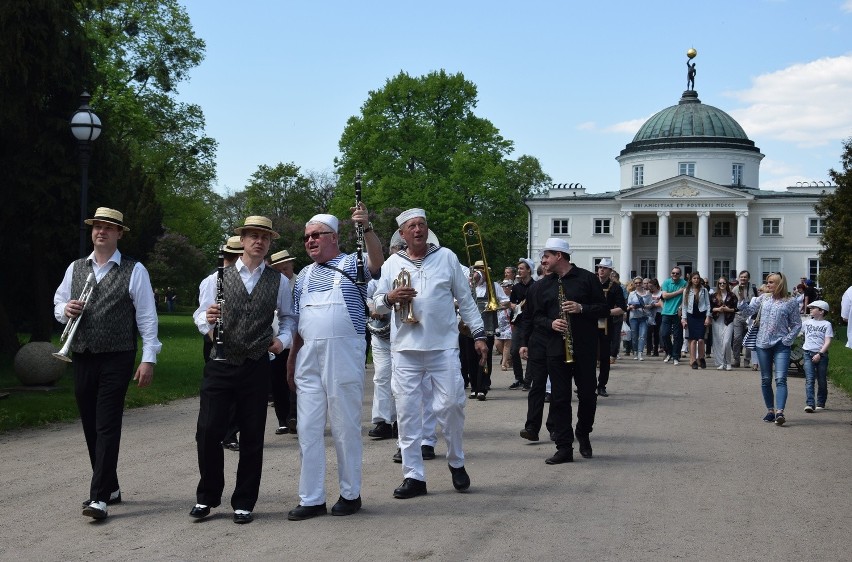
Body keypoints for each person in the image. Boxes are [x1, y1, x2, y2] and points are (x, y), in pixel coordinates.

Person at [53, 207, 161, 521]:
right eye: (97, 227)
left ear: (119, 234)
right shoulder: (75, 268)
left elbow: (147, 318)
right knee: (89, 423)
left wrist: (148, 358)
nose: (101, 232)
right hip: (83, 354)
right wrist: (66, 310)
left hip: (118, 355)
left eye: (108, 228)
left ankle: (98, 497)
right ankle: (111, 487)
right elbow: (58, 302)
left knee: (107, 423)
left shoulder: (134, 269)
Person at [373, 208, 487, 499]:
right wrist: (389, 298)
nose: (417, 230)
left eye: (421, 225)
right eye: (411, 226)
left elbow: (466, 298)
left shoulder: (446, 257)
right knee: (408, 414)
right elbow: (377, 303)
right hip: (405, 350)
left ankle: (456, 461)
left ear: (427, 229)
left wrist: (478, 334)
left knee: (452, 405)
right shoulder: (391, 263)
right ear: (402, 234)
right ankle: (414, 477)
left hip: (443, 347)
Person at [190, 216, 296, 525]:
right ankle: (207, 496)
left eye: (264, 237)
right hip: (221, 363)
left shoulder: (279, 281)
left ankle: (244, 501)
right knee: (208, 431)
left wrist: (282, 341)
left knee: (252, 435)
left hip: (256, 363)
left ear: (269, 243)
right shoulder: (216, 279)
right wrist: (207, 321)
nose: (259, 241)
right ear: (243, 240)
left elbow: (289, 318)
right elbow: (200, 315)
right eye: (253, 236)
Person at [285, 205, 384, 520]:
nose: (311, 241)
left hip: (343, 354)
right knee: (308, 428)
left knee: (344, 425)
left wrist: (366, 228)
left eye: (317, 235)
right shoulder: (303, 277)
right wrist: (291, 360)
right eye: (306, 238)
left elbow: (378, 263)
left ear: (334, 238)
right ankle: (311, 497)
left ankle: (350, 493)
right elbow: (299, 323)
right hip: (308, 357)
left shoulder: (352, 263)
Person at [518, 238, 608, 464]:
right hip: (555, 348)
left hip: (584, 347)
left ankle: (584, 432)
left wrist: (582, 308)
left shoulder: (587, 278)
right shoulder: (541, 286)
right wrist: (550, 323)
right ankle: (564, 447)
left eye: (546, 256)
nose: (543, 261)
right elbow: (535, 316)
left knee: (588, 395)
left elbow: (604, 309)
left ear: (559, 256)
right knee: (559, 398)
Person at [193, 236, 244, 451]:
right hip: (216, 342)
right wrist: (211, 328)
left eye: (235, 257)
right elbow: (200, 314)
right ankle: (219, 432)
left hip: (241, 343)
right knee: (219, 393)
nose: (231, 261)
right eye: (230, 257)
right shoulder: (212, 280)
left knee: (239, 393)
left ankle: (231, 433)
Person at [738, 273, 802, 426]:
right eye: (767, 282)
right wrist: (741, 298)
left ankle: (780, 412)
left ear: (780, 284)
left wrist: (787, 340)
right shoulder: (764, 298)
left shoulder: (791, 302)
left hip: (781, 344)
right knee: (766, 379)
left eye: (771, 282)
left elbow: (797, 324)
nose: (768, 285)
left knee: (780, 379)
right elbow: (747, 312)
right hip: (762, 344)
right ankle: (770, 411)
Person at [269, 249, 298, 435]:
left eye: (286, 269)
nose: (283, 273)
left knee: (295, 379)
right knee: (277, 380)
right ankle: (282, 420)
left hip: (297, 340)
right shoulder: (271, 285)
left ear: (291, 266)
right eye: (279, 270)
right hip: (276, 339)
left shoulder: (301, 282)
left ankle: (295, 416)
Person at [595, 258, 625, 396]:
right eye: (600, 267)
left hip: (606, 324)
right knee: (589, 356)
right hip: (590, 323)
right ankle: (588, 384)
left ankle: (602, 385)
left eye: (604, 268)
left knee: (604, 356)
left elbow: (622, 308)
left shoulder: (615, 287)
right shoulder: (592, 283)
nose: (601, 270)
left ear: (610, 270)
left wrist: (607, 313)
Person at [799, 300, 833, 412]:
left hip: (821, 355)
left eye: (813, 308)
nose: (810, 309)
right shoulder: (807, 323)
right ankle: (810, 404)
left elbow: (828, 341)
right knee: (810, 379)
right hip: (808, 353)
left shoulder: (827, 324)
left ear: (821, 311)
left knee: (822, 380)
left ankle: (821, 402)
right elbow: (796, 330)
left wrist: (820, 354)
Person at [508, 258, 536, 390]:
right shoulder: (516, 287)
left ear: (529, 270)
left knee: (530, 351)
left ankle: (528, 380)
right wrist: (514, 306)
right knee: (514, 351)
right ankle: (518, 378)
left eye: (522, 268)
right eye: (518, 268)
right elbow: (511, 303)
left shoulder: (535, 286)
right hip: (519, 322)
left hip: (531, 323)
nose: (519, 271)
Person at [681, 272, 711, 369]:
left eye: (698, 278)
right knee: (692, 340)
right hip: (691, 316)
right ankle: (692, 359)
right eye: (694, 278)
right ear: (691, 279)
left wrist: (707, 317)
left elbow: (708, 305)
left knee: (701, 339)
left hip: (701, 316)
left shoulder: (704, 290)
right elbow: (684, 306)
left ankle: (701, 358)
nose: (696, 280)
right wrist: (684, 319)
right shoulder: (686, 290)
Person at [660, 266, 688, 365]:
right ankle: (669, 353)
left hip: (678, 313)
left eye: (677, 273)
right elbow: (664, 296)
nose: (674, 275)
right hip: (666, 312)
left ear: (680, 275)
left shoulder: (684, 283)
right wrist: (679, 292)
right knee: (664, 334)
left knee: (678, 336)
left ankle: (676, 356)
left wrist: (680, 308)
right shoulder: (666, 282)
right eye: (673, 273)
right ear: (671, 274)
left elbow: (686, 298)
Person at [731, 270, 759, 368]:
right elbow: (731, 301)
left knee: (749, 339)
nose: (743, 278)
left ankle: (747, 360)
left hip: (750, 317)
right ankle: (736, 360)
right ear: (739, 278)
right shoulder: (734, 289)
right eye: (741, 277)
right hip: (738, 316)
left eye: (745, 277)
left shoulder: (753, 289)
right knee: (737, 338)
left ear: (748, 278)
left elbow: (757, 302)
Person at [710, 276, 738, 370]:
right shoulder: (714, 295)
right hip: (717, 320)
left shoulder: (732, 295)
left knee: (726, 342)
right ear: (718, 284)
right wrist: (718, 309)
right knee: (718, 342)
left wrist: (728, 309)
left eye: (724, 283)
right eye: (720, 283)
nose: (722, 285)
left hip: (728, 320)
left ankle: (728, 362)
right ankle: (721, 362)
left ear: (727, 284)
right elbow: (710, 308)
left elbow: (736, 309)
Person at [626, 276, 653, 361]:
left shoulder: (647, 293)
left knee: (642, 335)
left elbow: (651, 304)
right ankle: (635, 352)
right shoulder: (632, 294)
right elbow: (628, 305)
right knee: (634, 336)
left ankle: (640, 353)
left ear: (642, 283)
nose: (638, 284)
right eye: (636, 283)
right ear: (634, 284)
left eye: (639, 283)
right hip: (633, 316)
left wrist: (645, 306)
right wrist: (631, 306)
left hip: (644, 316)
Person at [496, 280, 514, 370]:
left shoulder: (512, 297)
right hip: (498, 324)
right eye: (504, 286)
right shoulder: (498, 297)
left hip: (508, 323)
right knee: (498, 344)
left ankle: (503, 364)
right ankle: (509, 357)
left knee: (507, 344)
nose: (505, 288)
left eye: (508, 286)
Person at [646, 278, 662, 356]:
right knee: (648, 332)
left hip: (658, 314)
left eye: (651, 286)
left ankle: (656, 350)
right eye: (649, 286)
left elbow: (660, 304)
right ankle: (649, 349)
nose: (650, 288)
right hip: (649, 315)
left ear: (656, 286)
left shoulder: (661, 293)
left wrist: (652, 304)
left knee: (656, 333)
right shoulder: (648, 294)